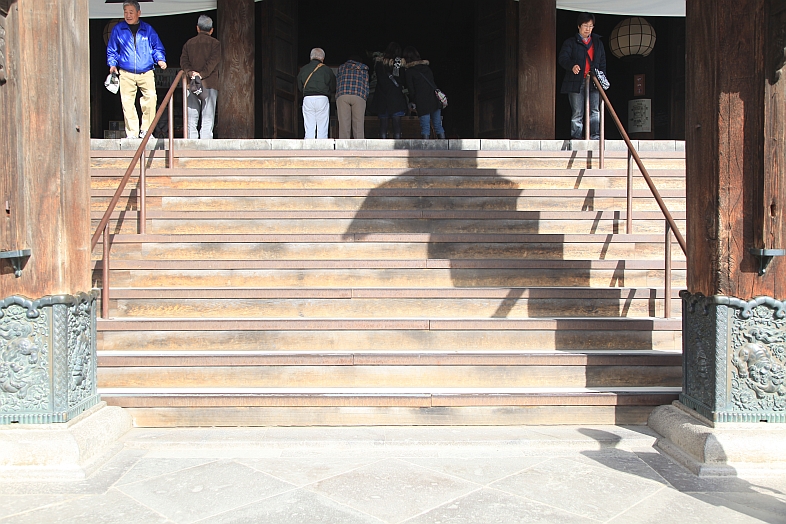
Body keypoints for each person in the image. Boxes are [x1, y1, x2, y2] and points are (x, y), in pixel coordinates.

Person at [106, 0, 167, 139]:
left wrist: (160, 59)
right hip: (126, 71)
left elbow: (157, 47)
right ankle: (132, 133)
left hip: (146, 71)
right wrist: (112, 64)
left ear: (139, 13)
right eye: (125, 12)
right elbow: (112, 50)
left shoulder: (148, 29)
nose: (128, 15)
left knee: (151, 98)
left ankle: (146, 130)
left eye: (131, 12)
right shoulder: (118, 29)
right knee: (127, 102)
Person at [558, 12, 607, 140]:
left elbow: (602, 63)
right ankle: (576, 137)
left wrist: (602, 77)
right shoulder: (570, 43)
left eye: (590, 26)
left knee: (595, 110)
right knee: (577, 112)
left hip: (594, 80)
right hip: (576, 80)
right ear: (579, 26)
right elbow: (562, 58)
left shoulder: (597, 43)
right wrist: (572, 66)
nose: (588, 29)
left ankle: (596, 137)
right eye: (585, 26)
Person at [180, 15, 221, 140]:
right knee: (208, 117)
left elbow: (183, 61)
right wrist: (202, 74)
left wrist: (191, 73)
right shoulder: (216, 44)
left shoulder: (189, 43)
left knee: (191, 118)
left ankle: (191, 144)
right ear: (211, 30)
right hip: (209, 83)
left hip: (192, 83)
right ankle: (206, 144)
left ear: (197, 28)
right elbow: (213, 62)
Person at [403, 46, 446, 139]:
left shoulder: (409, 72)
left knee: (425, 127)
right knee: (438, 126)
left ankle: (425, 147)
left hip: (422, 102)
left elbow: (411, 90)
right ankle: (444, 146)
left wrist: (413, 101)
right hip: (434, 100)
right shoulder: (427, 68)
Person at [297, 48, 336, 139]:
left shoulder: (303, 69)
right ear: (322, 58)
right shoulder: (327, 70)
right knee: (322, 126)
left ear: (311, 57)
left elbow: (299, 86)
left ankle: (309, 144)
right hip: (322, 98)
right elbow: (333, 86)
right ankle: (322, 145)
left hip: (307, 98)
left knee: (309, 126)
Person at [370, 42, 408, 139]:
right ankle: (398, 145)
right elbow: (402, 80)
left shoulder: (379, 63)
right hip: (396, 97)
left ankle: (383, 145)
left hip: (382, 96)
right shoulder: (399, 64)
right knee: (397, 126)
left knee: (383, 125)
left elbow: (379, 79)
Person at [335, 56, 369, 139]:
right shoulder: (363, 69)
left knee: (343, 124)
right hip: (358, 95)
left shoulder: (341, 68)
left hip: (343, 94)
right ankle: (359, 145)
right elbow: (366, 85)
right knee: (358, 124)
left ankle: (343, 145)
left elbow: (337, 81)